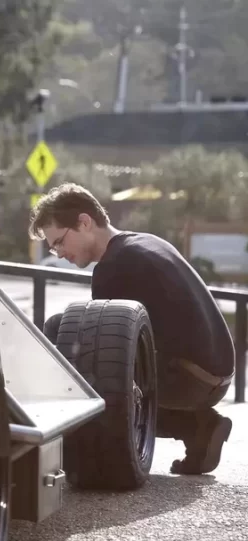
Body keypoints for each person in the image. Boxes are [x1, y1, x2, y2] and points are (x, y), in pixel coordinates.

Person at [29, 182, 234, 475]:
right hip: (217, 375)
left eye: (59, 241)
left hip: (189, 379)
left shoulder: (113, 267)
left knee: (63, 333)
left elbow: (103, 358)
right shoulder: (145, 241)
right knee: (98, 354)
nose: (58, 253)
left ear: (84, 222)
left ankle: (69, 447)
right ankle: (199, 428)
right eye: (53, 247)